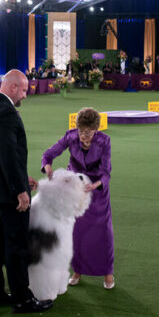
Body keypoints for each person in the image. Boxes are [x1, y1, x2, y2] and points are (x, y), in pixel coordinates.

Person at [0, 69, 49, 313]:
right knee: (16, 245)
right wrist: (20, 189)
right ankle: (22, 299)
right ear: (14, 87)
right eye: (25, 90)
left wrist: (21, 176)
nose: (25, 96)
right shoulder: (6, 112)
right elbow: (6, 153)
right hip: (7, 194)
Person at [41, 107, 114, 290]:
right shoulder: (70, 136)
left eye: (88, 133)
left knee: (103, 234)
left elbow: (106, 172)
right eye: (81, 131)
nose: (83, 136)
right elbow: (49, 154)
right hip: (74, 191)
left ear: (96, 129)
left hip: (97, 192)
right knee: (76, 232)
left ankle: (108, 273)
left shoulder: (104, 141)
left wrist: (95, 185)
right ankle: (77, 270)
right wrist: (47, 166)